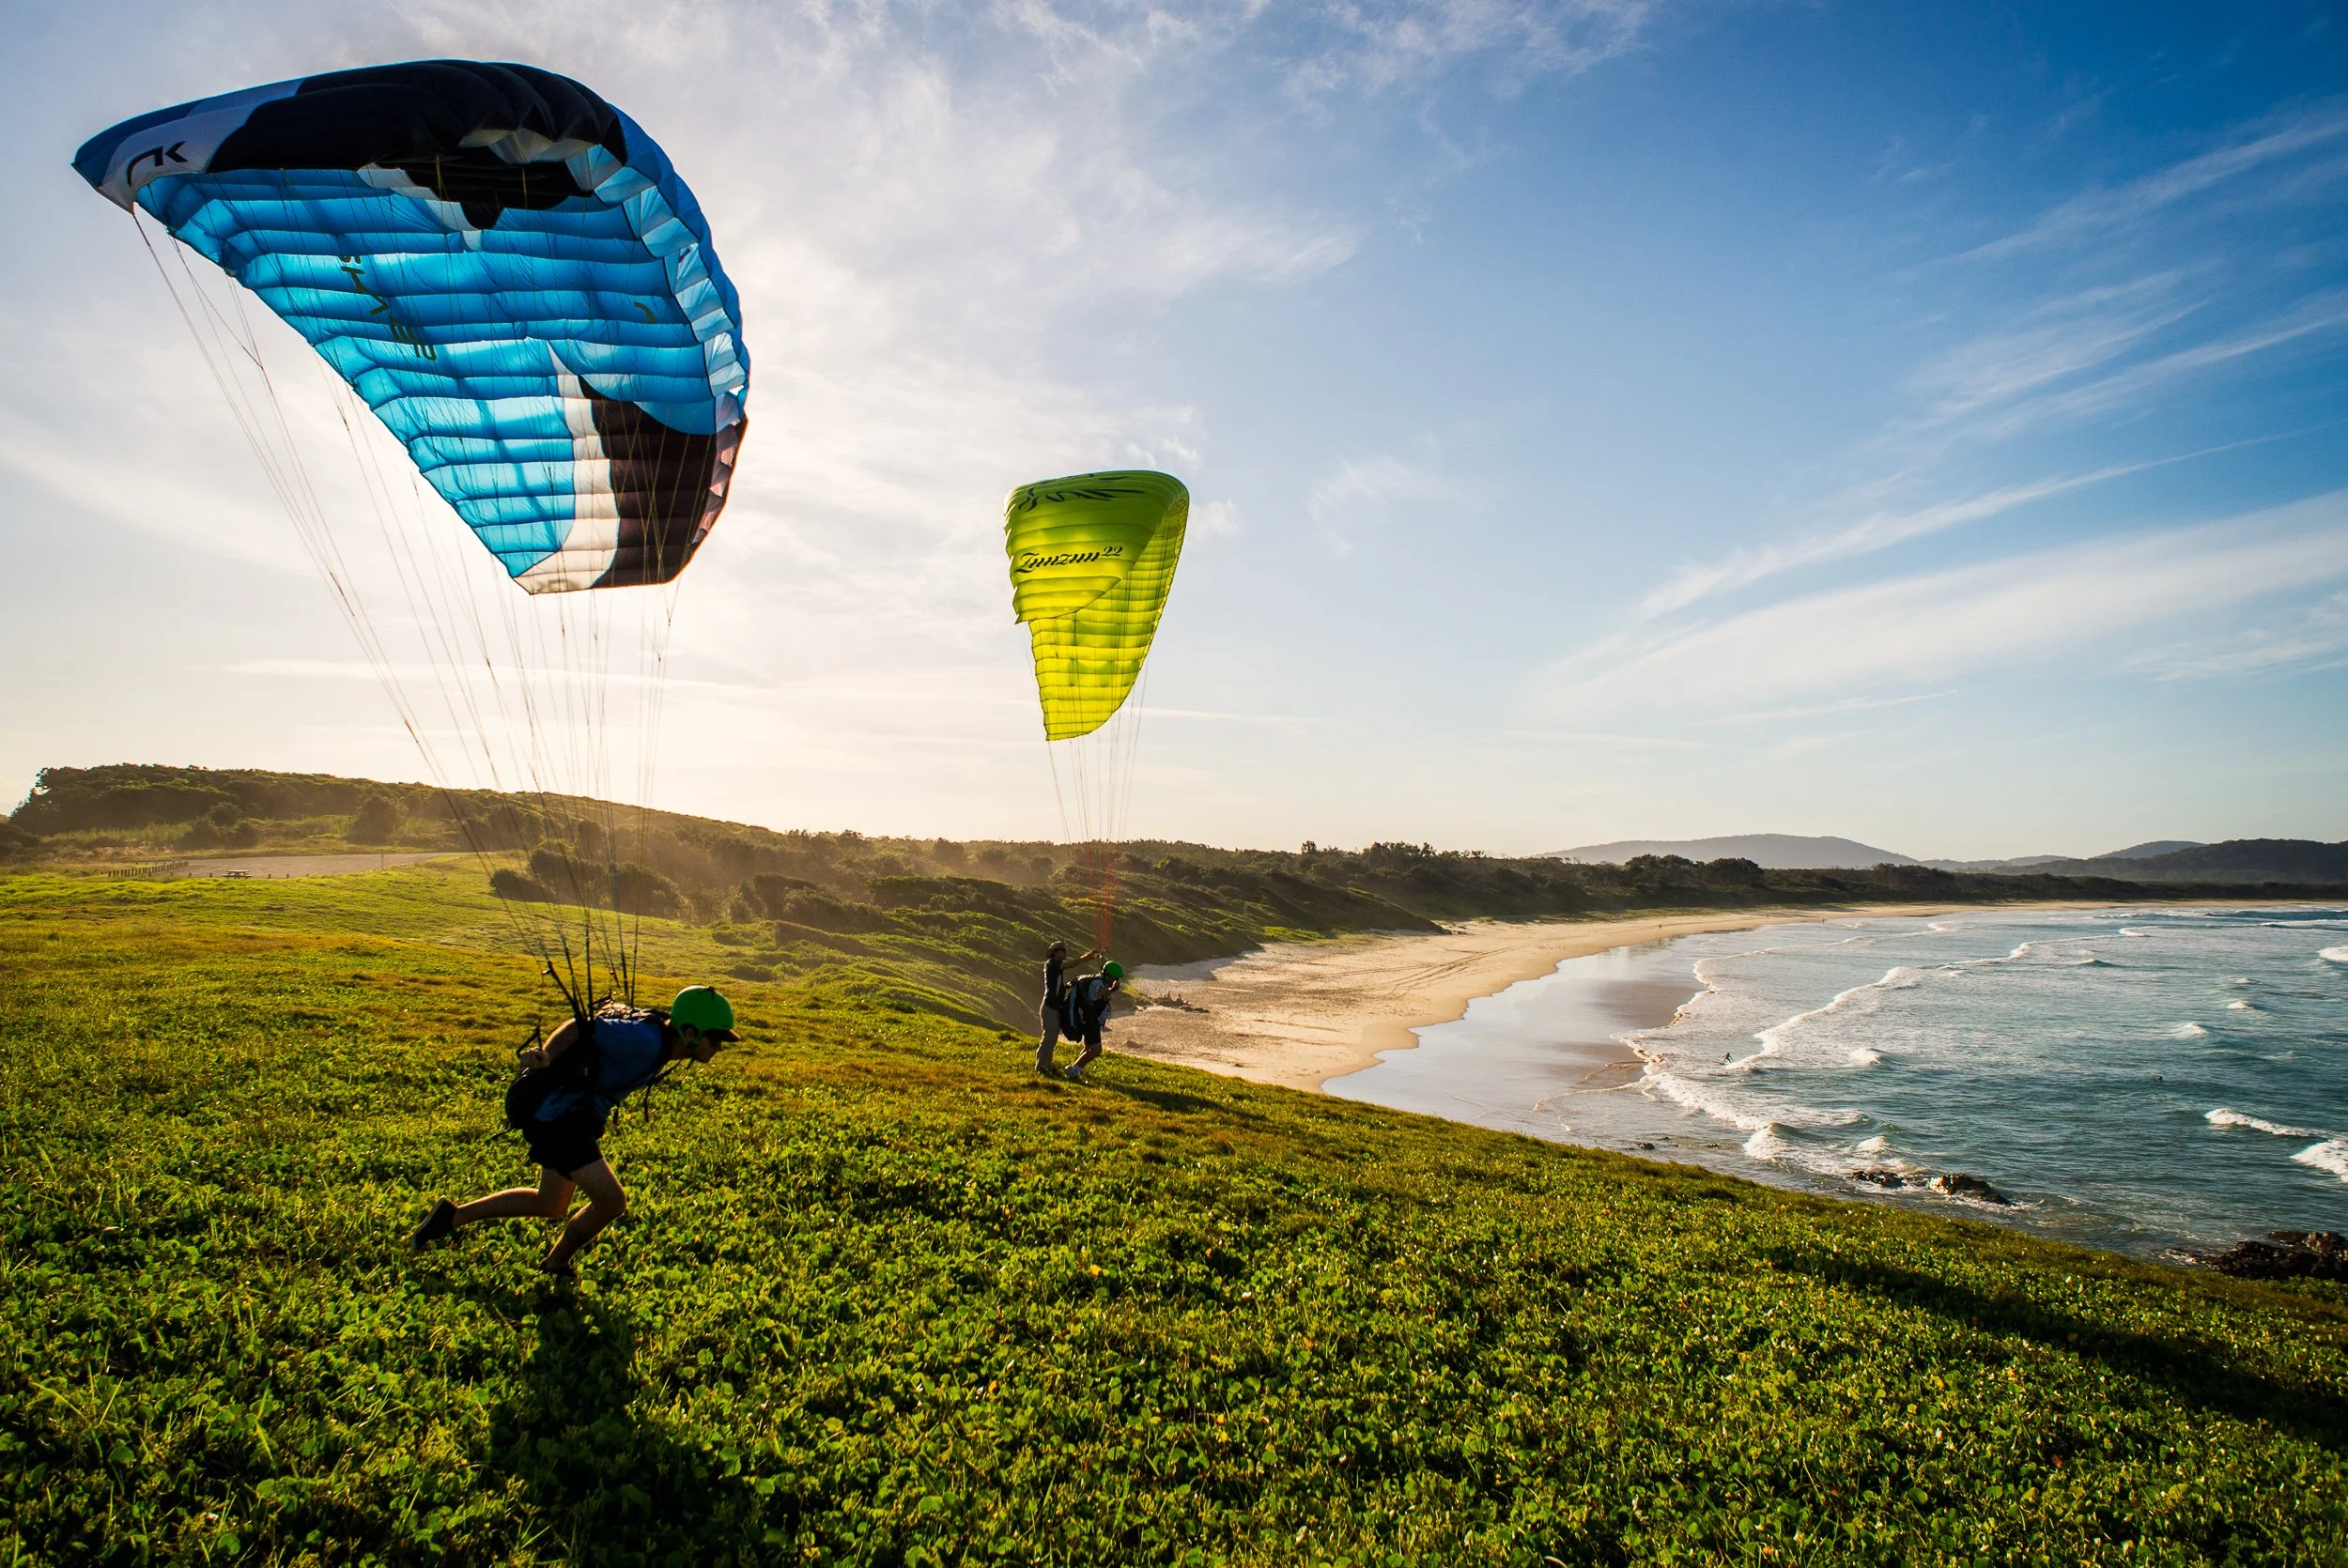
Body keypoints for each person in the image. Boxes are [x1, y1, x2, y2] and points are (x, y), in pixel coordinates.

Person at [407, 984, 740, 1277]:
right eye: (717, 1039)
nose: (719, 1048)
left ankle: (451, 1217)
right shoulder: (646, 1041)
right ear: (692, 1033)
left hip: (571, 1117)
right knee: (611, 1201)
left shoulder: (660, 1041)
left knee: (550, 1204)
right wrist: (547, 1055)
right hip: (560, 1119)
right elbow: (583, 1027)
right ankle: (556, 1264)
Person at [1036, 939, 1098, 1076]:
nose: (1065, 953)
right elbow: (1070, 964)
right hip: (1050, 1007)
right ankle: (1041, 1065)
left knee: (1051, 1038)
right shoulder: (1053, 964)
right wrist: (1084, 958)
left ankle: (1047, 1064)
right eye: (1062, 950)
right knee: (1049, 1037)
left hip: (1053, 1007)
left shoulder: (1054, 966)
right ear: (1054, 953)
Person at [1061, 961, 1124, 1084]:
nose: (1116, 980)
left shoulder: (1099, 982)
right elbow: (1101, 993)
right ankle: (1075, 1068)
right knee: (1096, 1049)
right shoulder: (1097, 984)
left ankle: (1077, 1067)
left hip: (1090, 1020)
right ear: (1109, 976)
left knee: (1089, 1047)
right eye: (1115, 977)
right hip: (1090, 1021)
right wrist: (1113, 989)